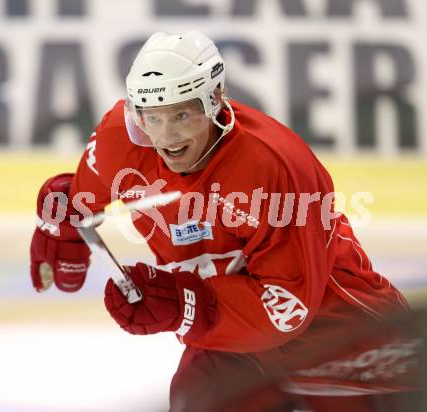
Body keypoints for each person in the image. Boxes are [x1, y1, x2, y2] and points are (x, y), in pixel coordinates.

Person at [30, 31, 418, 411]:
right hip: (233, 344)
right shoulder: (122, 139)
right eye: (151, 117)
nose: (167, 137)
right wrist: (65, 217)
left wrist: (185, 305)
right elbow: (84, 194)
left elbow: (287, 310)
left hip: (341, 337)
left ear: (214, 99)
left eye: (182, 114)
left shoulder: (272, 167)